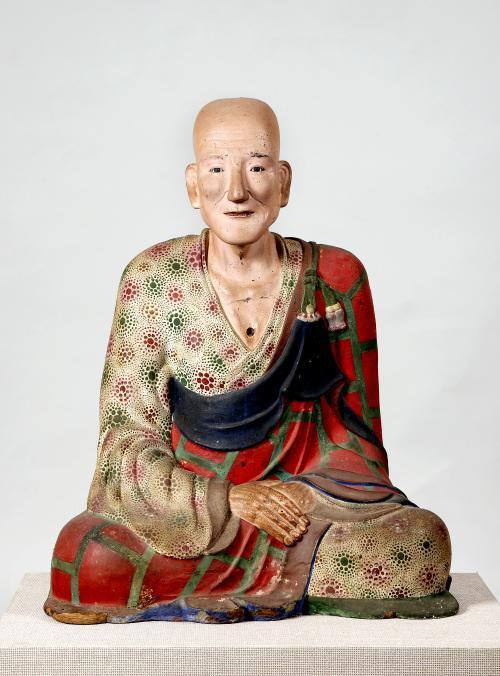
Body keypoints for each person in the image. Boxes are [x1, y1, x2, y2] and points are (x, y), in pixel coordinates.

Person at [44, 98, 458, 624]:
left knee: (418, 542)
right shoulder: (152, 281)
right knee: (87, 554)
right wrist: (228, 500)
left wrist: (299, 495)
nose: (237, 191)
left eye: (257, 168)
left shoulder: (333, 277)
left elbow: (359, 440)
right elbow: (123, 446)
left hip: (304, 514)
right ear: (193, 185)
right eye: (217, 169)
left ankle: (284, 574)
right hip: (199, 517)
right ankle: (264, 573)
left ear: (283, 182)